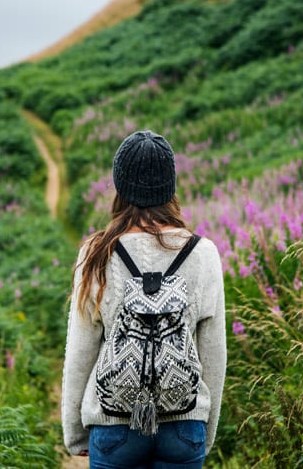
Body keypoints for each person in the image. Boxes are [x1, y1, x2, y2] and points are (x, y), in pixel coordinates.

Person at [62, 130, 227, 469]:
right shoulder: (203, 253)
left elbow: (81, 350)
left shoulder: (95, 253)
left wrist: (76, 434)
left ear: (120, 186)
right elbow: (213, 351)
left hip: (114, 423)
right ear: (170, 186)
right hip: (184, 423)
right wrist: (203, 431)